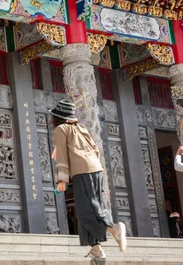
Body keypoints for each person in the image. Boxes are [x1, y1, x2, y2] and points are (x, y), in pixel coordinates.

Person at [51, 99, 127, 259]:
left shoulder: (61, 129)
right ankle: (96, 250)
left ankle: (113, 228)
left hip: (82, 172)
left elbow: (62, 156)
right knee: (91, 207)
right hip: (96, 169)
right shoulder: (81, 128)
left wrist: (62, 180)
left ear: (57, 117)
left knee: (86, 211)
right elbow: (96, 150)